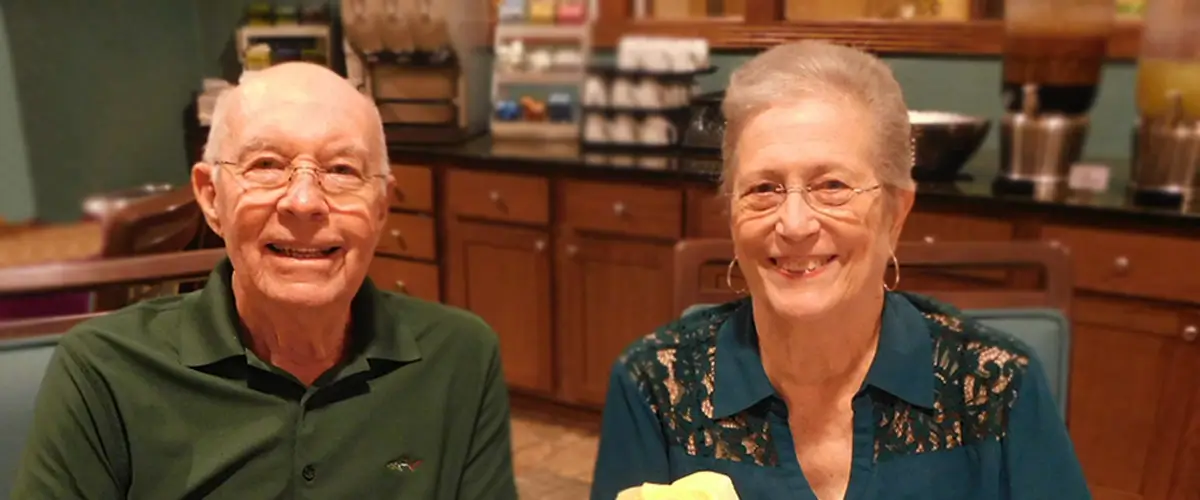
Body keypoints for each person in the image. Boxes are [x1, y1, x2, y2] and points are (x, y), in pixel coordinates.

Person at [590, 41, 1090, 500]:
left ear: (896, 213)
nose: (794, 223)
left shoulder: (997, 387)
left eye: (831, 185)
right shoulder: (654, 386)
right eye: (763, 188)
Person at [12, 62, 518, 499]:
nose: (303, 202)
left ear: (381, 207)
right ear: (211, 198)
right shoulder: (103, 370)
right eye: (267, 165)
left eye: (341, 169)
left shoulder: (461, 358)